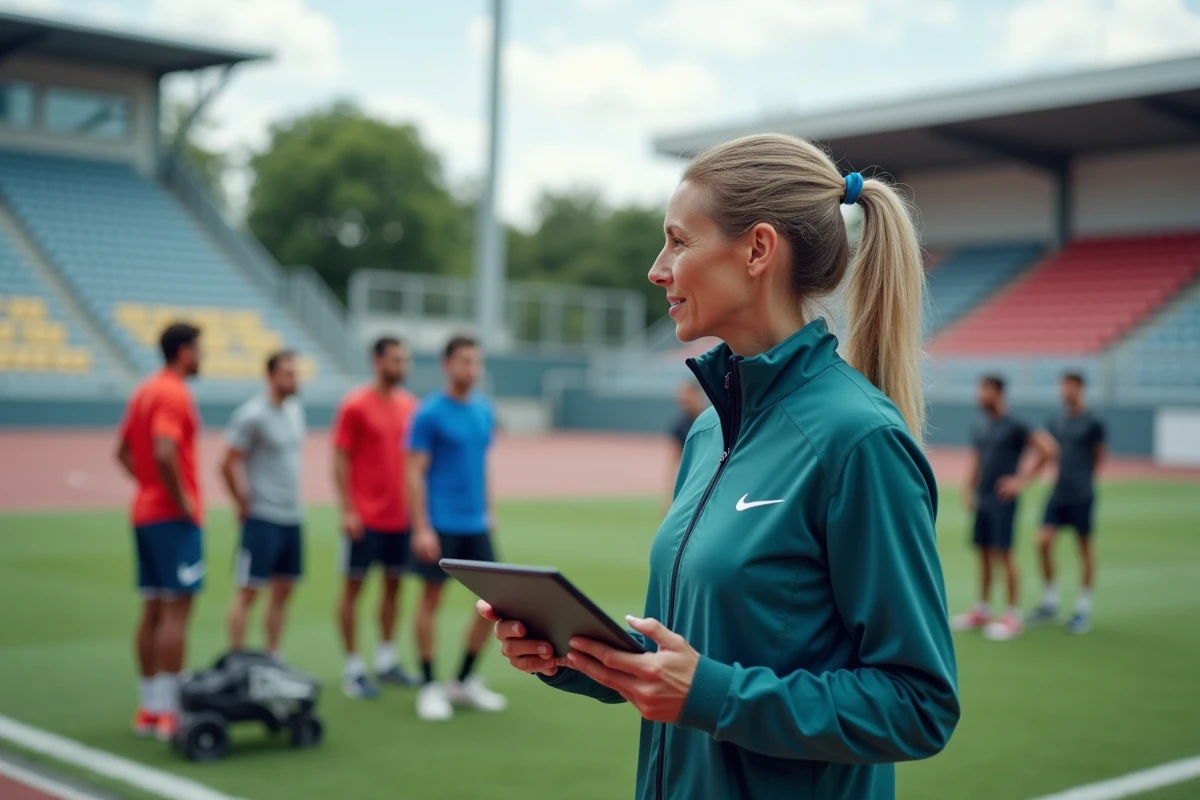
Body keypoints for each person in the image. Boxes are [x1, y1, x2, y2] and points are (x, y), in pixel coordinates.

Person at [479, 134, 960, 800]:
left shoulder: (859, 440)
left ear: (758, 250)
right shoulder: (710, 430)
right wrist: (574, 654)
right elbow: (683, 657)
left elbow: (917, 705)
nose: (658, 268)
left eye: (678, 241)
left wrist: (712, 693)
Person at [407, 335, 508, 721]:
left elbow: (481, 465)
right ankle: (429, 684)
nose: (472, 370)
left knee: (495, 604)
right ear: (447, 364)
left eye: (476, 362)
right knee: (430, 601)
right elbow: (414, 473)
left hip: (474, 523)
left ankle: (462, 681)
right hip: (440, 524)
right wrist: (422, 528)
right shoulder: (429, 413)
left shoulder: (483, 411)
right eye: (465, 362)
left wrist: (489, 509)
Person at [116, 322, 204, 741]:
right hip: (173, 517)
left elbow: (122, 452)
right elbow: (165, 450)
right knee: (176, 611)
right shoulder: (173, 392)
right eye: (200, 350)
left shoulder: (143, 391)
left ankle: (148, 708)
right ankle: (171, 709)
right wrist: (181, 499)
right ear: (184, 352)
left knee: (151, 608)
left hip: (144, 512)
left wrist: (148, 487)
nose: (203, 357)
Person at [332, 336, 420, 698]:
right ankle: (353, 668)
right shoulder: (355, 405)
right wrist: (348, 509)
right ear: (377, 362)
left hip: (400, 518)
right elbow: (340, 458)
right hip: (364, 518)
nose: (402, 367)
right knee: (353, 589)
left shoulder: (410, 406)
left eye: (405, 360)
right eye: (396, 360)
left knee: (394, 587)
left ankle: (386, 660)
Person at [951, 375, 1057, 641]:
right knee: (984, 553)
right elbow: (977, 459)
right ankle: (982, 610)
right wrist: (968, 488)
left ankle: (1012, 615)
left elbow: (1048, 449)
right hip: (983, 499)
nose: (979, 396)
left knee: (1004, 555)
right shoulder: (982, 425)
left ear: (998, 393)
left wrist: (1021, 482)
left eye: (984, 390)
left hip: (1003, 499)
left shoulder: (1016, 424)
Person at [221, 350, 306, 660]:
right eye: (287, 373)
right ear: (271, 376)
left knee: (284, 591)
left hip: (292, 516)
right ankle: (237, 659)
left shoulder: (296, 409)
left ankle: (273, 655)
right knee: (248, 590)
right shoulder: (252, 415)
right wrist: (241, 500)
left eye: (295, 372)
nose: (294, 379)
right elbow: (227, 463)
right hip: (262, 516)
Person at [1026, 372, 1106, 634]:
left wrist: (1084, 479)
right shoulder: (1057, 421)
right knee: (1043, 542)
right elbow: (1048, 452)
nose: (1063, 390)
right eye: (1062, 385)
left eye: (1068, 386)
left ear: (1079, 388)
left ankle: (1083, 608)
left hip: (1081, 493)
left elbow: (1099, 457)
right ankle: (1050, 601)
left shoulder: (1093, 422)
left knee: (1083, 547)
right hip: (1058, 492)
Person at [665, 380, 704, 507]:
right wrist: (668, 496)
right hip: (690, 480)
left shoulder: (712, 418)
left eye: (687, 394)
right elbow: (674, 459)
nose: (683, 399)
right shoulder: (679, 425)